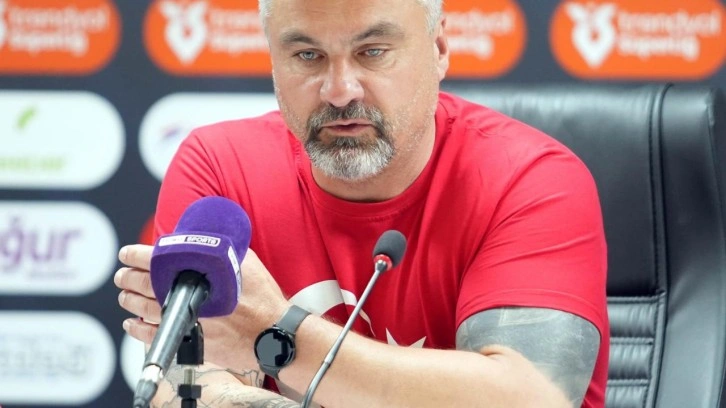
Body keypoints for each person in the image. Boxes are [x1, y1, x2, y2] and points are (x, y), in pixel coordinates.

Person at [115, 0, 609, 406]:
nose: (339, 91)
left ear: (439, 49)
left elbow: (529, 398)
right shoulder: (219, 169)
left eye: (372, 52)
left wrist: (278, 335)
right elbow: (186, 385)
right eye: (307, 55)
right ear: (273, 61)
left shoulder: (530, 180)